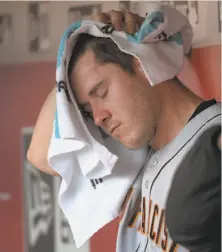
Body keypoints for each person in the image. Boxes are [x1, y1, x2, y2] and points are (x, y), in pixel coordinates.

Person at [27, 9, 221, 252]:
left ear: (140, 61)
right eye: (87, 110)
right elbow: (42, 156)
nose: (98, 118)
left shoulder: (215, 146)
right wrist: (65, 70)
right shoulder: (134, 151)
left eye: (101, 93)